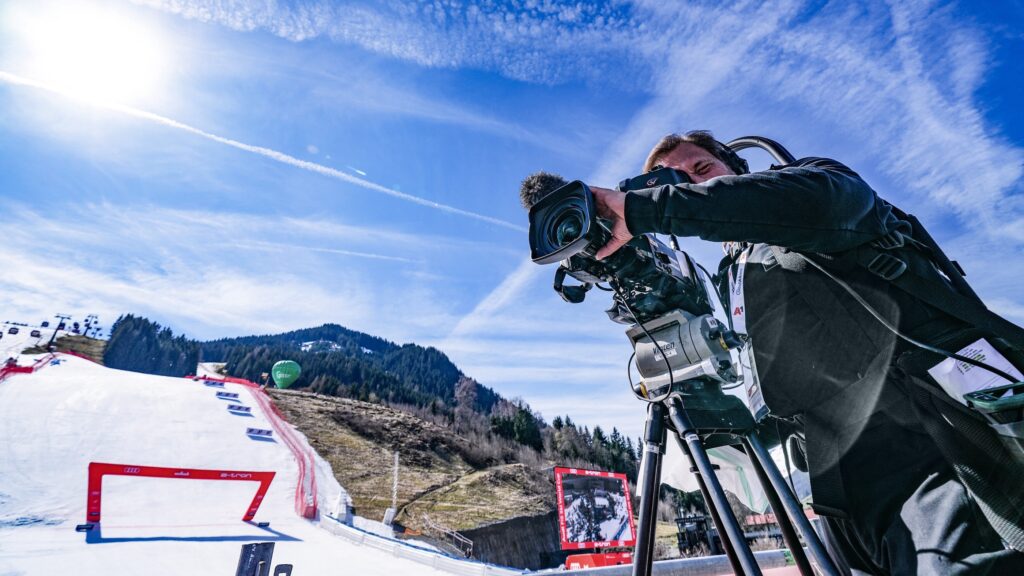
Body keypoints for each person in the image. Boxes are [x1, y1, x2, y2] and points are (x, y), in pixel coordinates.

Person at [586, 131, 1024, 575]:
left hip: (935, 448)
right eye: (671, 182)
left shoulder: (809, 183)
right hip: (839, 490)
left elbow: (823, 201)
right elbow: (786, 383)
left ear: (736, 169)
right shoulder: (733, 271)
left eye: (701, 170)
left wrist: (649, 207)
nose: (689, 186)